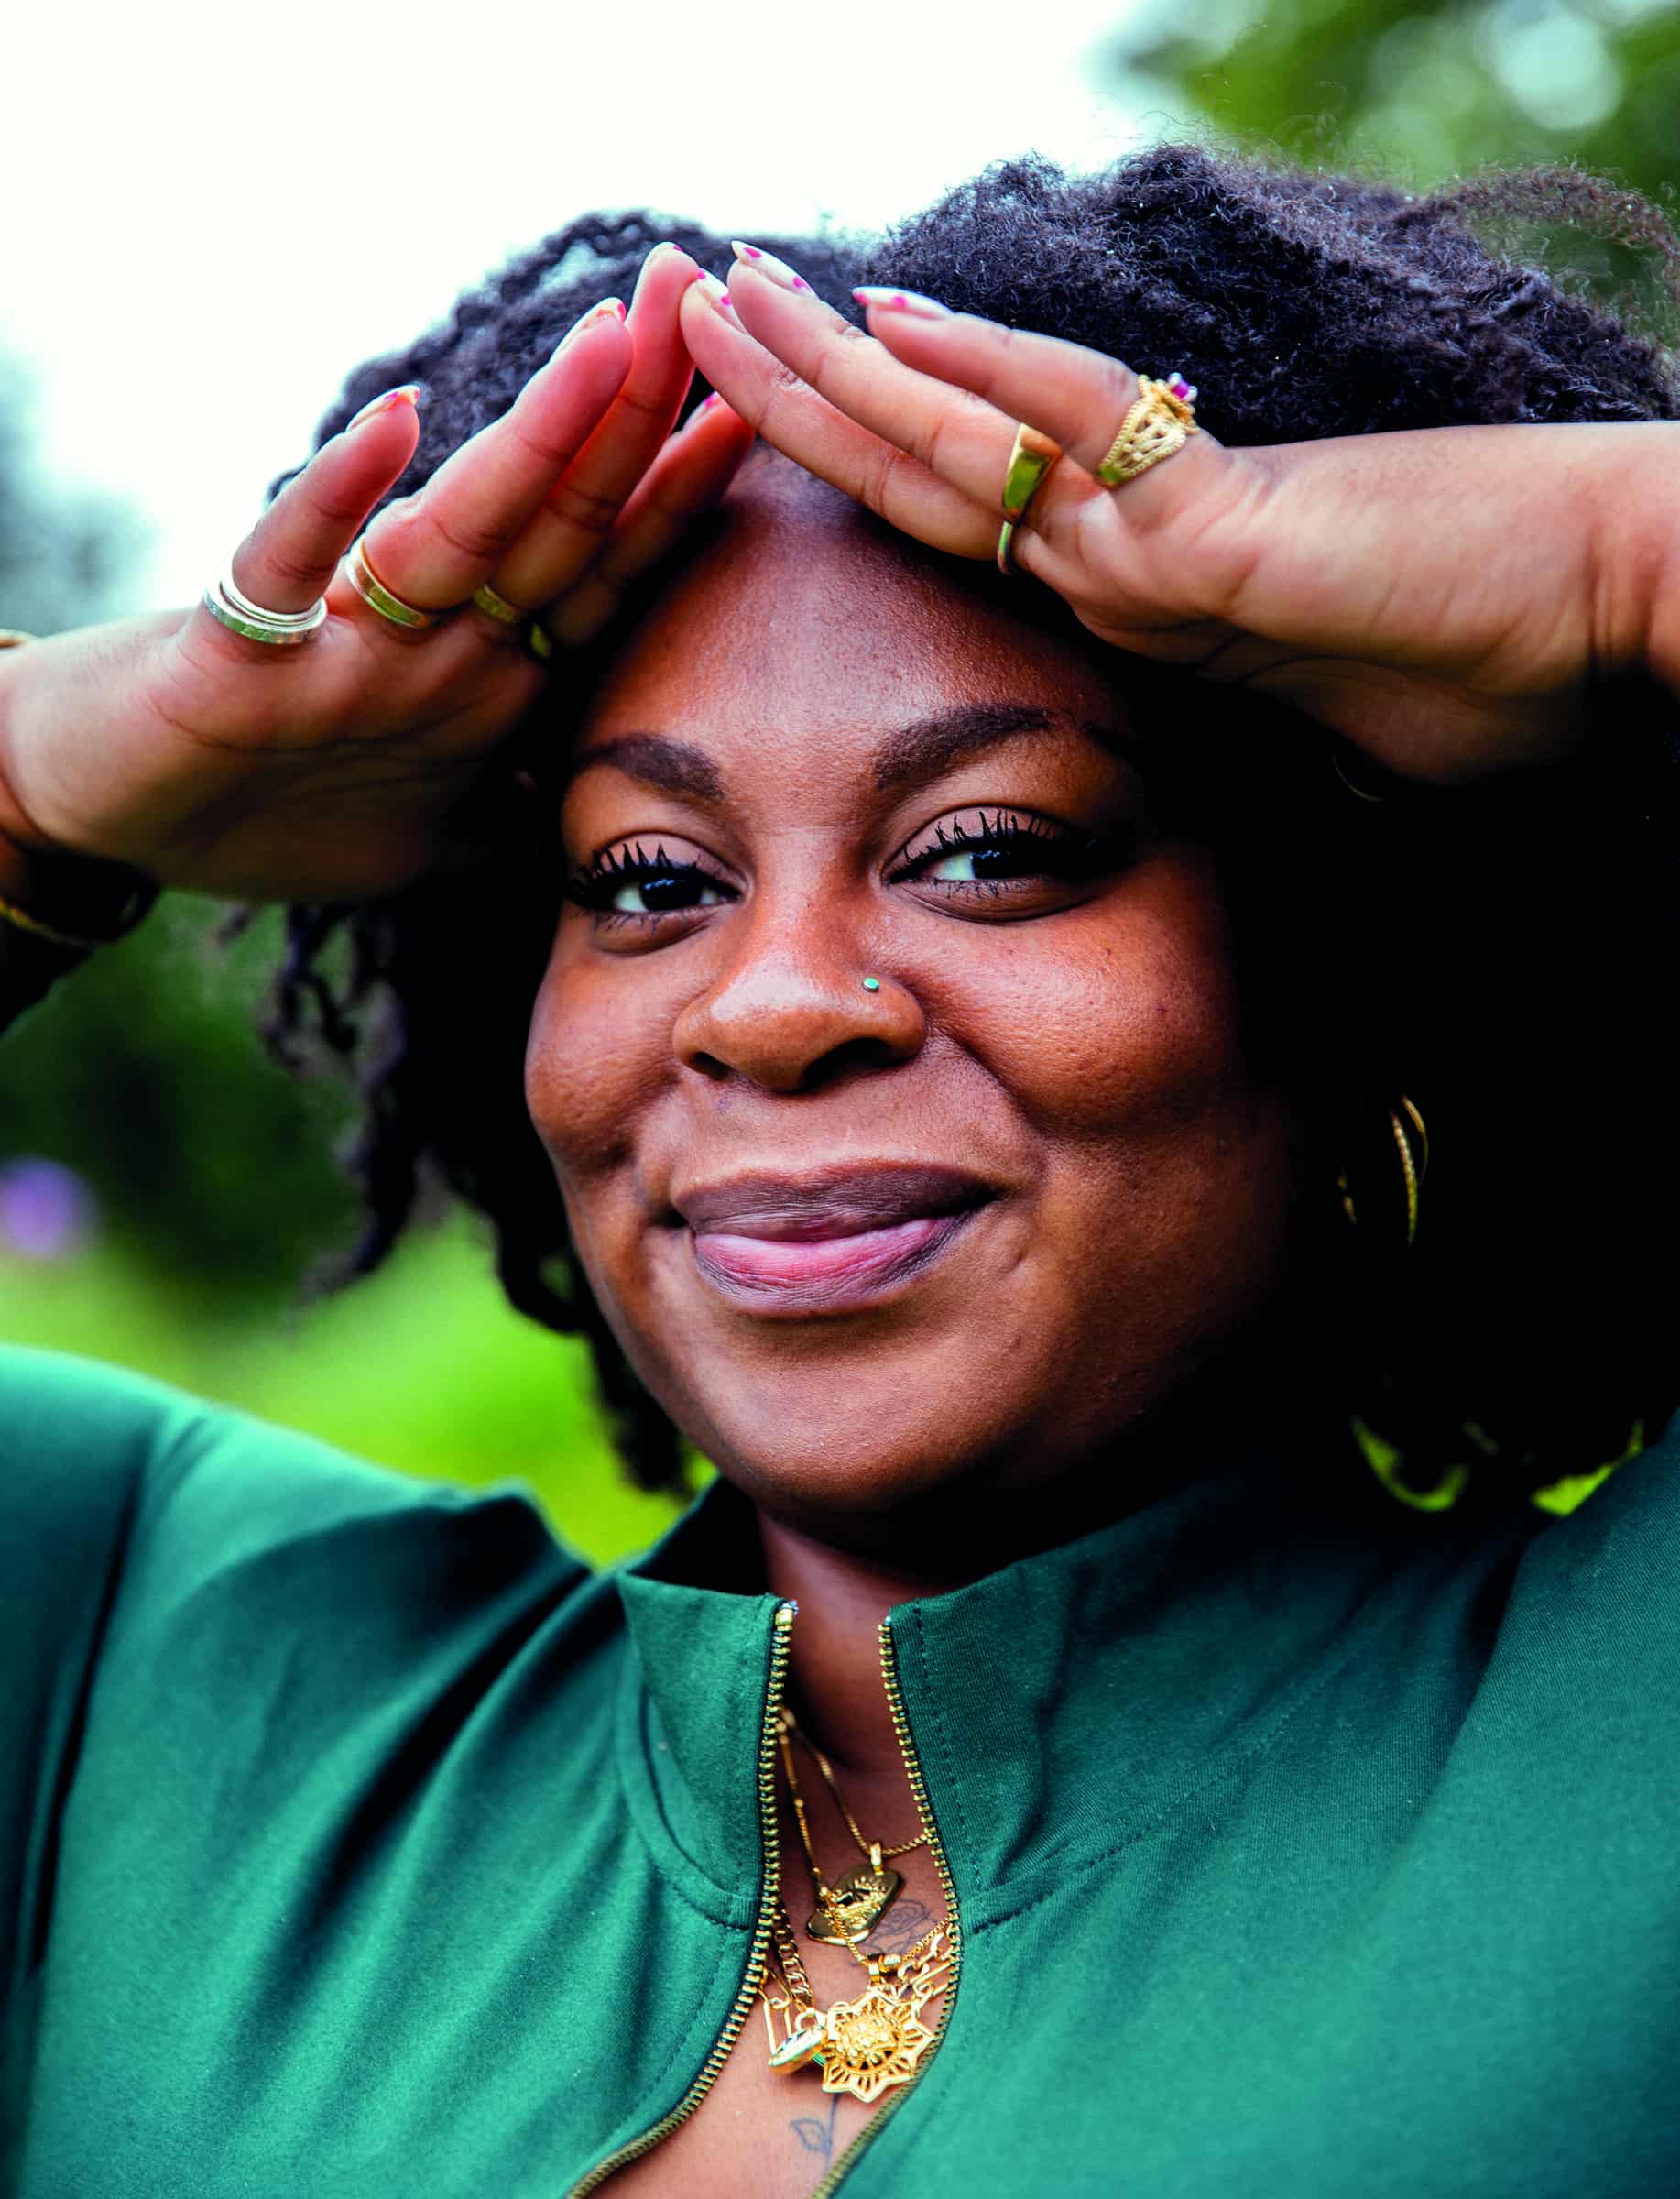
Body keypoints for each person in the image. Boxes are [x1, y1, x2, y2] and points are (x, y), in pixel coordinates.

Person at [2, 143, 1678, 2196]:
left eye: (985, 848)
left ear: (1342, 969)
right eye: (648, 881)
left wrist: (1616, 566)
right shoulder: (137, 1647)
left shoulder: (1630, 1719)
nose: (772, 1004)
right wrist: (52, 784)